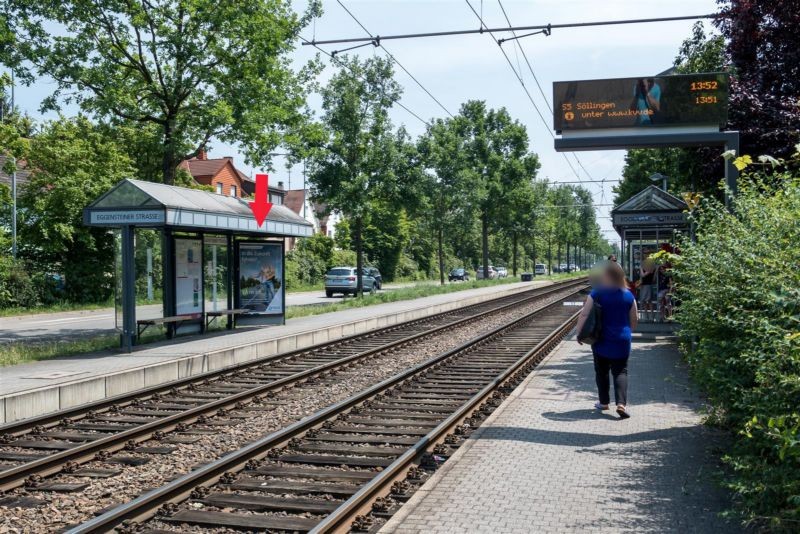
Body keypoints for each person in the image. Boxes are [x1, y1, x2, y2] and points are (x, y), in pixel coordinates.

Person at [576, 261, 638, 419]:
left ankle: (604, 402)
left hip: (601, 340)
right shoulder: (628, 295)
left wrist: (579, 333)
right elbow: (634, 319)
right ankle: (621, 404)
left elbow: (584, 314)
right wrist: (627, 332)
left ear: (607, 276)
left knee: (601, 372)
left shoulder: (597, 293)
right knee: (621, 372)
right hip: (622, 340)